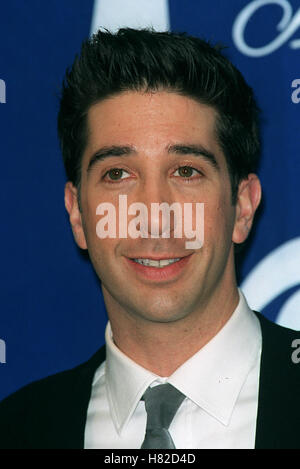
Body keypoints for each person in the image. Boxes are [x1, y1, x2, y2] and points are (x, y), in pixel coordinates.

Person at [0, 28, 299, 450]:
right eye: (117, 174)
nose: (154, 216)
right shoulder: (15, 429)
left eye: (186, 171)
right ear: (77, 214)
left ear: (243, 207)